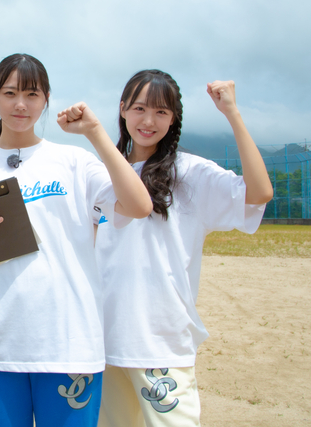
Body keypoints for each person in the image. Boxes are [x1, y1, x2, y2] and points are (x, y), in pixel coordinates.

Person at [0, 53, 153, 427]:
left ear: (46, 98)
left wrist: (95, 134)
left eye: (32, 94)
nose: (20, 104)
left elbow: (138, 205)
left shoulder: (73, 161)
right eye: (9, 93)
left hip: (68, 344)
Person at [95, 70, 273, 427]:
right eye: (140, 108)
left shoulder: (190, 173)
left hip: (161, 342)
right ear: (123, 109)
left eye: (162, 112)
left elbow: (259, 194)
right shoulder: (100, 175)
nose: (148, 120)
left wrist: (232, 114)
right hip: (102, 343)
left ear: (173, 119)